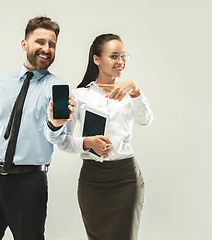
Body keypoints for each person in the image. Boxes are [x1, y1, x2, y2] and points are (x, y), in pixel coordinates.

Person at [0, 16, 75, 240]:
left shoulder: (58, 88)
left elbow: (58, 138)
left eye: (52, 44)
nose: (46, 49)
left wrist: (54, 124)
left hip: (29, 183)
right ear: (24, 44)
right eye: (40, 42)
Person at [46, 33, 153, 240]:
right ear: (97, 59)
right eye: (114, 56)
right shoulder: (79, 96)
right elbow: (63, 141)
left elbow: (145, 119)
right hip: (93, 180)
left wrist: (135, 90)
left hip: (126, 178)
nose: (120, 62)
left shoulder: (130, 94)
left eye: (123, 56)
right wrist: (87, 143)